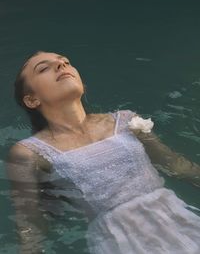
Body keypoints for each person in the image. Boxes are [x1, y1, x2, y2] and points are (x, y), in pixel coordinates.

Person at [7, 51, 200, 254]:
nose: (61, 65)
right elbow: (30, 224)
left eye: (66, 62)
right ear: (31, 100)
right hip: (119, 238)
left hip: (173, 216)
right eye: (44, 68)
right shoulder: (29, 152)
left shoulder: (127, 120)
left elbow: (177, 166)